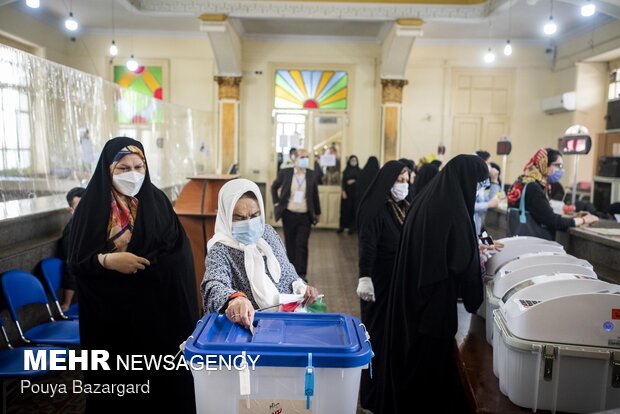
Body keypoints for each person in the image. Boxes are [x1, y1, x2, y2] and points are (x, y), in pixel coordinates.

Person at [68, 137, 198, 413]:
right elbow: (77, 261)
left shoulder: (158, 201)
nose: (133, 174)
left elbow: (178, 253)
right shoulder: (91, 208)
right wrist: (107, 260)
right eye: (123, 168)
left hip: (158, 317)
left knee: (161, 392)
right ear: (107, 169)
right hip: (110, 322)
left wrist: (145, 266)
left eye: (139, 166)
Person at [375, 154, 490, 413]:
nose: (478, 192)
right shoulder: (453, 210)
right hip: (431, 309)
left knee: (413, 365)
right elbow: (462, 263)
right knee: (428, 375)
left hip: (412, 298)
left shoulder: (429, 198)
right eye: (479, 185)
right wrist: (478, 267)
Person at [202, 179, 319, 327]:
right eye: (240, 218)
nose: (249, 223)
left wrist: (303, 288)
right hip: (252, 329)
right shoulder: (220, 250)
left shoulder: (267, 233)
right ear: (226, 217)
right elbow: (213, 285)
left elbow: (287, 271)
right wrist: (235, 299)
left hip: (287, 323)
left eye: (255, 215)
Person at [356, 160, 410, 412]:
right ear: (388, 181)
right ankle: (371, 396)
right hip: (376, 285)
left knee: (390, 340)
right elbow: (368, 247)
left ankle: (386, 394)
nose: (404, 185)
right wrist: (364, 276)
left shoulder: (401, 207)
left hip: (395, 284)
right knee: (375, 339)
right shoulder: (376, 209)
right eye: (400, 180)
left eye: (407, 180)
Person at [507, 148, 598, 240]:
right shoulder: (533, 187)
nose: (561, 170)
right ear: (544, 165)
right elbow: (552, 221)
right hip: (530, 244)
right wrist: (583, 220)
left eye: (561, 166)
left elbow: (543, 214)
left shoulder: (528, 181)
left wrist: (573, 217)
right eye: (558, 165)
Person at [271, 148, 321, 282]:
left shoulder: (311, 174)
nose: (304, 160)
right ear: (295, 158)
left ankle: (301, 273)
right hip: (289, 214)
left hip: (305, 216)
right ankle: (291, 271)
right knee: (290, 243)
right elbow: (274, 187)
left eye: (306, 157)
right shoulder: (286, 173)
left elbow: (314, 194)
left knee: (302, 243)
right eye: (301, 157)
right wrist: (276, 203)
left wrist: (318, 212)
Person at [57, 186, 85, 312]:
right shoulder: (72, 231)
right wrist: (66, 303)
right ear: (71, 210)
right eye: (80, 207)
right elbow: (71, 264)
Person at [474, 151, 501, 236]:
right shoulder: (471, 182)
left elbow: (492, 200)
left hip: (478, 228)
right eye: (488, 163)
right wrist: (488, 204)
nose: (490, 167)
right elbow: (469, 205)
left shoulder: (481, 185)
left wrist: (494, 180)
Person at [338, 155, 361, 234]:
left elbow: (361, 181)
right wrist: (343, 191)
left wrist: (354, 181)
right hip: (346, 194)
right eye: (352, 160)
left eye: (355, 160)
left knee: (353, 210)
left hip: (355, 194)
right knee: (344, 210)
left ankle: (352, 228)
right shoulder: (345, 171)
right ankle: (342, 227)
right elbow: (343, 182)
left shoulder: (360, 171)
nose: (353, 162)